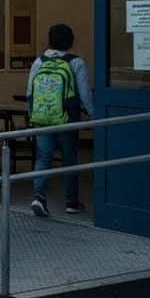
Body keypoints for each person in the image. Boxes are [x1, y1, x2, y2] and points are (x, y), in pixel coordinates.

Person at [26, 24, 95, 217]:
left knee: (43, 157)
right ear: (71, 41)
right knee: (69, 159)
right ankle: (72, 202)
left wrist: (32, 116)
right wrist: (94, 117)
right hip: (68, 119)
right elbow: (85, 95)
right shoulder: (76, 62)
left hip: (41, 118)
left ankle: (39, 197)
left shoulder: (39, 62)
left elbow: (29, 92)